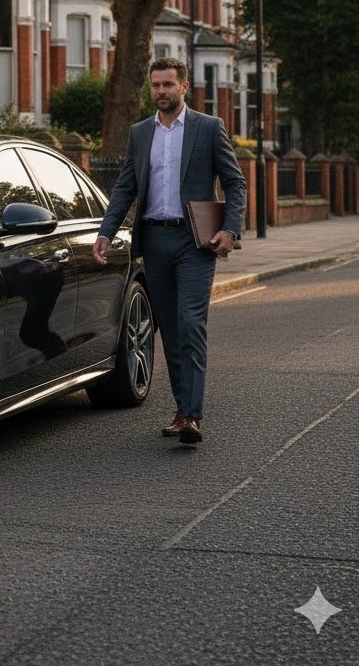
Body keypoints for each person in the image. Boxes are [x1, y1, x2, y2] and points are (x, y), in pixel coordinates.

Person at [92, 56, 246, 445]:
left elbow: (235, 183)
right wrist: (106, 233)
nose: (161, 91)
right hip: (155, 241)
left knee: (191, 323)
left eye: (168, 85)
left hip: (196, 241)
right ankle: (182, 409)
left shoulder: (208, 128)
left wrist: (230, 229)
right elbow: (126, 187)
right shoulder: (140, 133)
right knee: (171, 329)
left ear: (184, 87)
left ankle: (193, 415)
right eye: (155, 85)